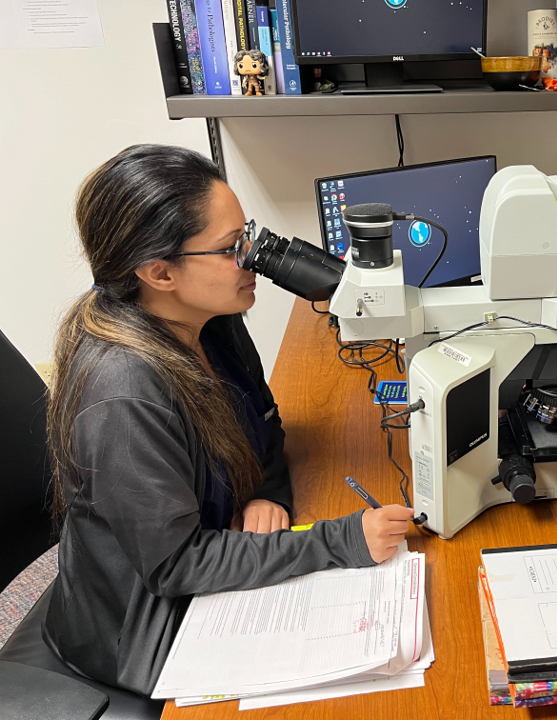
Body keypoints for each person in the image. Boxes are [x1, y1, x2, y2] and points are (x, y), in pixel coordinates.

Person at [42, 145, 414, 696]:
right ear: (159, 271)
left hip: (211, 560)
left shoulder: (208, 322)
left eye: (251, 235)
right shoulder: (123, 394)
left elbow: (263, 425)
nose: (256, 259)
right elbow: (176, 565)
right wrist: (342, 542)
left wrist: (267, 490)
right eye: (232, 248)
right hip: (146, 627)